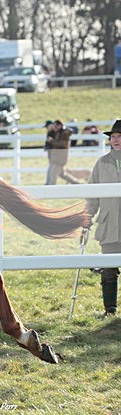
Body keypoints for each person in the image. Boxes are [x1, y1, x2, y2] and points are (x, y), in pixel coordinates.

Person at [85, 119, 121, 316]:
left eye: (119, 136)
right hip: (109, 225)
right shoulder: (102, 162)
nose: (115, 140)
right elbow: (93, 195)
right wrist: (87, 217)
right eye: (113, 137)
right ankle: (110, 310)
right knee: (109, 270)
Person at [46, 119, 81, 185]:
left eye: (55, 126)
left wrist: (52, 141)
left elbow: (62, 145)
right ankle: (78, 184)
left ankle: (50, 190)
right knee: (63, 175)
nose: (54, 128)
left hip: (59, 159)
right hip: (56, 159)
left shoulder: (64, 134)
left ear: (60, 126)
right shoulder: (57, 133)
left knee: (52, 179)